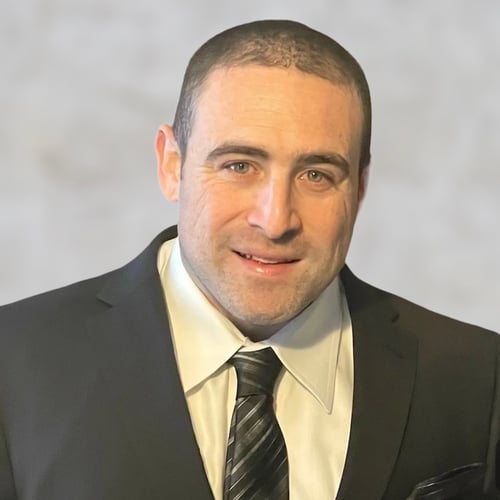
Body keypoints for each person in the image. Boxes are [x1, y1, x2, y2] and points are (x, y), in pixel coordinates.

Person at [0, 19, 498, 500]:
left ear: (359, 189)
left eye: (317, 175)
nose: (275, 220)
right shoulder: (15, 361)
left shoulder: (478, 377)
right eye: (240, 165)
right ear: (172, 165)